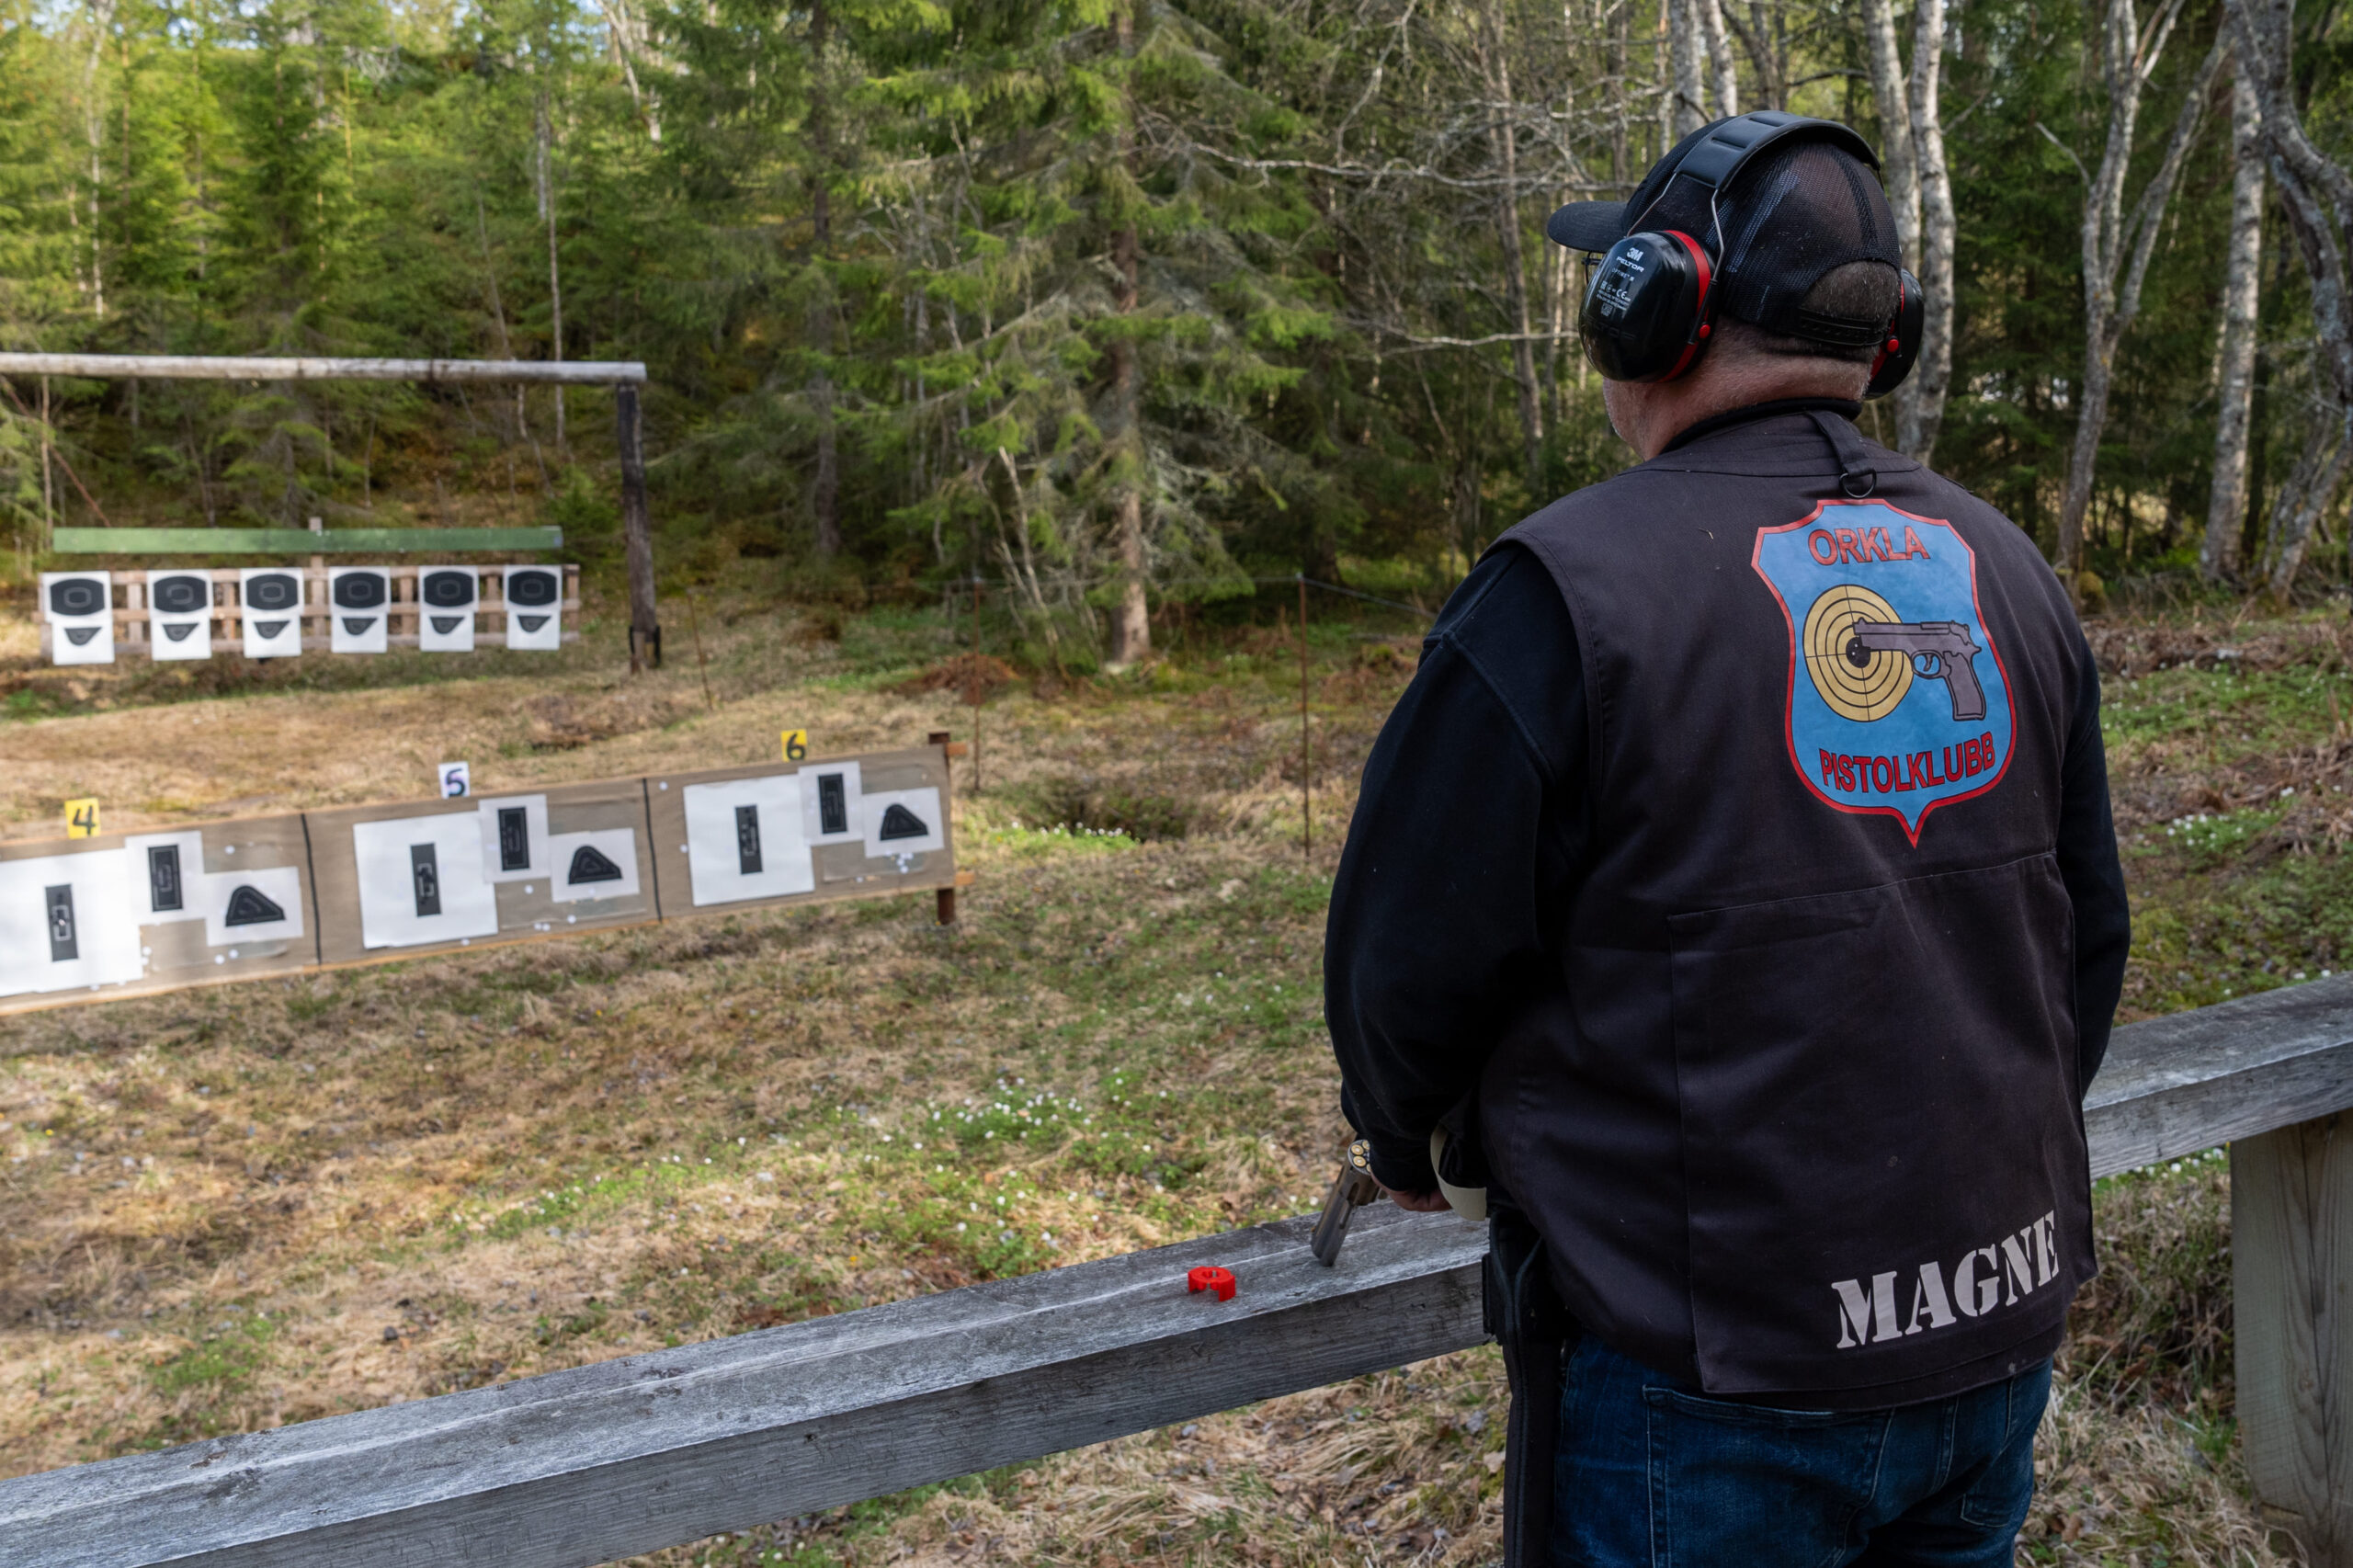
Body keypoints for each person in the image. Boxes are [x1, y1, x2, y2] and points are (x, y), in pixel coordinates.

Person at [1324, 112, 2129, 1568]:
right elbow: (2089, 947)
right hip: (1994, 1349)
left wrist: (1400, 1138)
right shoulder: (2008, 569)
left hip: (1710, 1390)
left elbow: (1405, 962)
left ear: (1652, 306)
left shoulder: (1558, 594)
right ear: (1883, 343)